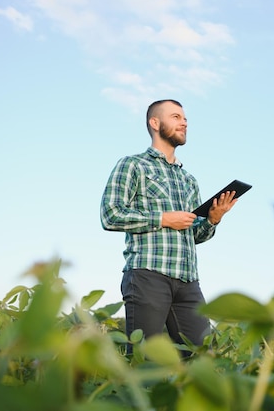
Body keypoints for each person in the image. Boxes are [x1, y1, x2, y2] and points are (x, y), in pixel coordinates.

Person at [100, 99, 237, 353]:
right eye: (176, 117)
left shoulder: (189, 180)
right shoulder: (132, 165)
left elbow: (195, 234)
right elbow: (110, 215)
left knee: (202, 355)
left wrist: (213, 219)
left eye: (185, 119)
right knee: (144, 357)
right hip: (147, 274)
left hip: (188, 280)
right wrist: (163, 218)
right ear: (155, 123)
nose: (184, 122)